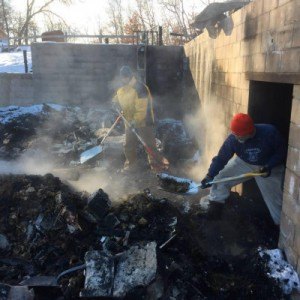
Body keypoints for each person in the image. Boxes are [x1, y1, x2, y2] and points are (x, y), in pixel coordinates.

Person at [200, 113, 286, 225]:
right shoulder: (233, 139)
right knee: (219, 179)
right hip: (244, 162)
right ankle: (214, 212)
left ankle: (280, 229)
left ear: (250, 132)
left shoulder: (269, 132)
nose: (236, 137)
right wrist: (209, 175)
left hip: (269, 166)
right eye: (235, 134)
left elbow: (282, 152)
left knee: (276, 202)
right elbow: (221, 158)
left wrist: (269, 166)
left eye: (239, 135)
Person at [112, 65, 167, 172]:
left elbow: (142, 109)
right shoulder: (122, 89)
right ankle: (131, 167)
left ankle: (157, 169)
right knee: (129, 146)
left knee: (149, 146)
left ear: (130, 76)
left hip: (144, 123)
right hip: (129, 123)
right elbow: (116, 98)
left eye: (126, 76)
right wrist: (114, 103)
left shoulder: (140, 88)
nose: (124, 79)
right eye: (123, 77)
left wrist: (135, 121)